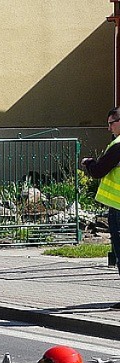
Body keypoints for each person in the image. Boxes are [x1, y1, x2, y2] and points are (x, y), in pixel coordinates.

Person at [81, 106, 120, 275]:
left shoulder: (118, 146)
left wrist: (89, 162)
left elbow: (98, 171)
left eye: (111, 123)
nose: (109, 128)